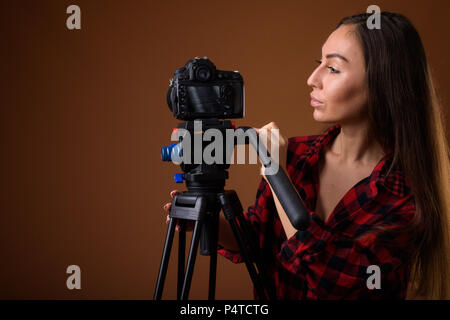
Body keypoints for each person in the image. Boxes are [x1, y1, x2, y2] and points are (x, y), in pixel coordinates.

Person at [162, 12, 450, 299]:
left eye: (333, 69)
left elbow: (330, 280)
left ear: (383, 83)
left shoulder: (405, 194)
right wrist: (209, 222)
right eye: (318, 64)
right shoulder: (296, 155)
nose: (312, 79)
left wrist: (275, 171)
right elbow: (257, 241)